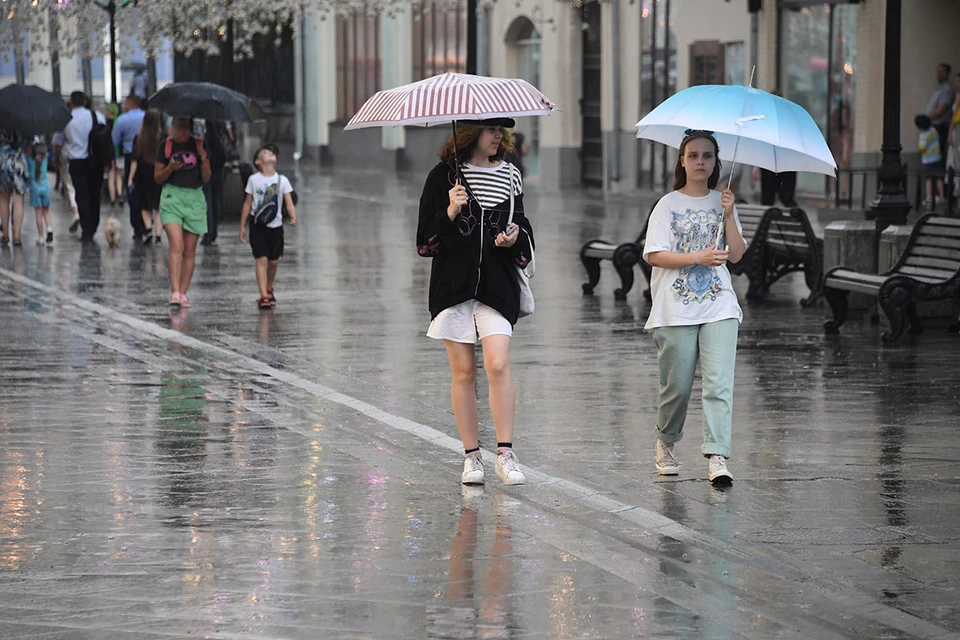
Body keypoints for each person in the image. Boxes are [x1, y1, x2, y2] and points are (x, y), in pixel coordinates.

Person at [415, 118, 535, 487]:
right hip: (454, 288)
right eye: (491, 129)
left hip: (497, 287)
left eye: (502, 130)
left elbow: (525, 227)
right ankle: (471, 458)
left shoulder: (511, 175)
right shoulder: (443, 177)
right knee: (464, 373)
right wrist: (450, 211)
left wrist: (514, 238)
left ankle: (505, 454)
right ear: (469, 134)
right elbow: (424, 242)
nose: (499, 136)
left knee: (498, 364)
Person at [642, 129, 745, 487]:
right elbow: (655, 255)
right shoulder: (667, 204)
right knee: (678, 386)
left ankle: (717, 455)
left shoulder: (723, 201)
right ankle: (666, 441)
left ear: (716, 163)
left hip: (719, 305)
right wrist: (696, 257)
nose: (701, 162)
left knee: (719, 384)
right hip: (675, 309)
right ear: (682, 161)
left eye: (708, 156)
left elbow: (738, 253)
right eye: (694, 156)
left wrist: (729, 215)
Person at [154, 117, 211, 307]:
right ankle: (175, 291)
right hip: (172, 197)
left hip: (194, 198)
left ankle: (184, 293)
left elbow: (206, 177)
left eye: (187, 129)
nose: (183, 133)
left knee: (189, 250)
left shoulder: (198, 145)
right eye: (180, 129)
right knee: (176, 244)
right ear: (172, 128)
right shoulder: (165, 146)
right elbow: (158, 178)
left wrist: (203, 156)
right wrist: (170, 167)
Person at [239, 144, 297, 309]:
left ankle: (269, 287)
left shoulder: (282, 180)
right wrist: (242, 225)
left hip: (276, 226)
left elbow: (289, 201)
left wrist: (293, 215)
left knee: (273, 262)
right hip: (257, 225)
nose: (269, 154)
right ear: (258, 161)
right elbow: (247, 203)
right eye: (265, 153)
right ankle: (263, 294)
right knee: (261, 259)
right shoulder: (253, 180)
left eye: (272, 153)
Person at [63, 91, 107, 243]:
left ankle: (86, 228)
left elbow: (58, 142)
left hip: (77, 162)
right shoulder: (97, 116)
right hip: (95, 161)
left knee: (81, 195)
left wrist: (57, 158)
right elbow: (105, 137)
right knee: (95, 194)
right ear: (86, 102)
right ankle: (93, 225)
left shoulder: (66, 119)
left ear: (71, 102)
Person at [112, 95, 146, 239]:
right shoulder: (147, 117)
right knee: (146, 190)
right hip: (148, 156)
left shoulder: (122, 120)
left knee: (132, 189)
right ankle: (147, 224)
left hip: (130, 155)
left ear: (129, 104)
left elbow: (114, 140)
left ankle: (137, 227)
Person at [128, 109, 164, 246]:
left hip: (142, 175)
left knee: (145, 205)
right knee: (158, 207)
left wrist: (130, 178)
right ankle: (159, 236)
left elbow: (134, 160)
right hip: (158, 174)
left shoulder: (138, 138)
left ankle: (148, 229)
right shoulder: (162, 138)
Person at [201, 120, 235, 246]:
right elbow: (230, 140)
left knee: (207, 198)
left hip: (206, 164)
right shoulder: (221, 122)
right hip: (219, 164)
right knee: (216, 197)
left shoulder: (203, 124)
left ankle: (208, 232)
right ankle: (214, 230)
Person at [0, 130, 28, 246]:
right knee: (18, 201)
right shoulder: (23, 123)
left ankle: (5, 234)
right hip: (19, 163)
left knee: (3, 199)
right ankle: (16, 236)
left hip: (3, 164)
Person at [926, 63, 955, 171]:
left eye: (942, 71)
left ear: (947, 74)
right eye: (938, 71)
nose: (939, 74)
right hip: (933, 126)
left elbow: (941, 110)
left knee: (937, 157)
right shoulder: (938, 88)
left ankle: (939, 184)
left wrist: (926, 119)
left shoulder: (946, 89)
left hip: (940, 127)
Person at [52, 129, 79, 232]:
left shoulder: (63, 122)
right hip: (85, 158)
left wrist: (55, 159)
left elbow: (56, 145)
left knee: (70, 186)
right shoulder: (92, 118)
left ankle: (76, 212)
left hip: (67, 158)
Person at [26, 141, 53, 245]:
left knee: (38, 213)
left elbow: (28, 154)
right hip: (45, 187)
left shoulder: (29, 160)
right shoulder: (45, 160)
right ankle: (49, 228)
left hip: (35, 187)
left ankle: (41, 237)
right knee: (46, 212)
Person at [916, 114, 944, 210]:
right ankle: (941, 196)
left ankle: (929, 198)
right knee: (939, 178)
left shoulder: (923, 135)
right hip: (937, 157)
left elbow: (922, 149)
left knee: (928, 179)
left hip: (928, 160)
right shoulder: (933, 130)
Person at [947, 72, 960, 196]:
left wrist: (950, 132)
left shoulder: (958, 96)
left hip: (958, 128)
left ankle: (958, 187)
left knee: (957, 157)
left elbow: (955, 116)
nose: (957, 84)